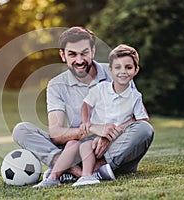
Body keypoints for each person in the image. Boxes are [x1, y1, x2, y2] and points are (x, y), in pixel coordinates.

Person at [12, 27, 154, 187]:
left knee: (144, 129)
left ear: (93, 51)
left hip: (111, 149)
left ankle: (67, 170)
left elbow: (138, 117)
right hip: (75, 149)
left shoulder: (118, 71)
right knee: (22, 130)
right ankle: (81, 172)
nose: (79, 60)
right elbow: (56, 133)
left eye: (84, 53)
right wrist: (93, 129)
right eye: (72, 54)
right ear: (62, 55)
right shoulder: (57, 85)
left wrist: (109, 135)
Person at [74, 44, 150, 186]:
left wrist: (117, 130)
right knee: (83, 145)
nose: (123, 72)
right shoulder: (101, 88)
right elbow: (86, 105)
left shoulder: (135, 96)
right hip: (95, 141)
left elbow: (143, 119)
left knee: (145, 129)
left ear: (136, 70)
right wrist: (87, 123)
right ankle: (85, 174)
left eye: (128, 68)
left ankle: (90, 172)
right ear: (110, 70)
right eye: (117, 67)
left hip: (118, 143)